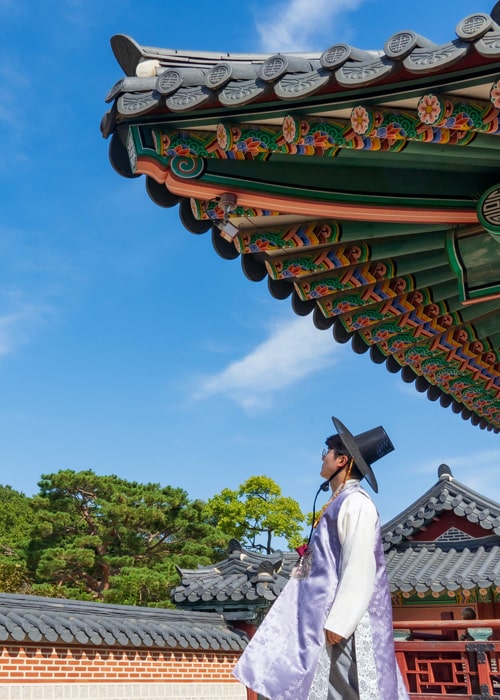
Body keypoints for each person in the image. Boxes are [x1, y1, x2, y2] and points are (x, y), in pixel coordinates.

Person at [233, 416, 409, 699]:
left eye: (326, 452)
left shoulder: (356, 503)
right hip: (319, 615)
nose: (322, 457)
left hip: (342, 622)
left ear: (341, 460)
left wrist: (341, 621)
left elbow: (360, 565)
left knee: (349, 688)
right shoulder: (338, 501)